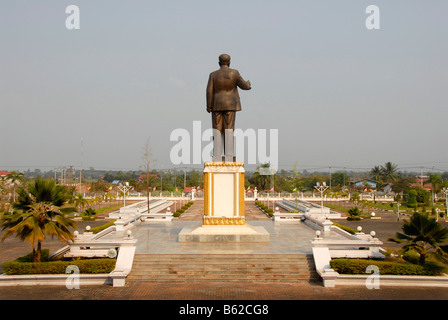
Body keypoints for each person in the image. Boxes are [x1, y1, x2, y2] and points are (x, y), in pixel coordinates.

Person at [206, 54, 251, 162]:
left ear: (219, 63)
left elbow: (209, 90)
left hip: (216, 105)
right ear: (229, 62)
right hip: (230, 105)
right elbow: (244, 86)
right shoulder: (234, 73)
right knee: (229, 130)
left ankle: (217, 155)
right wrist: (248, 84)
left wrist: (209, 105)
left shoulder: (213, 74)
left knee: (217, 130)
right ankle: (229, 155)